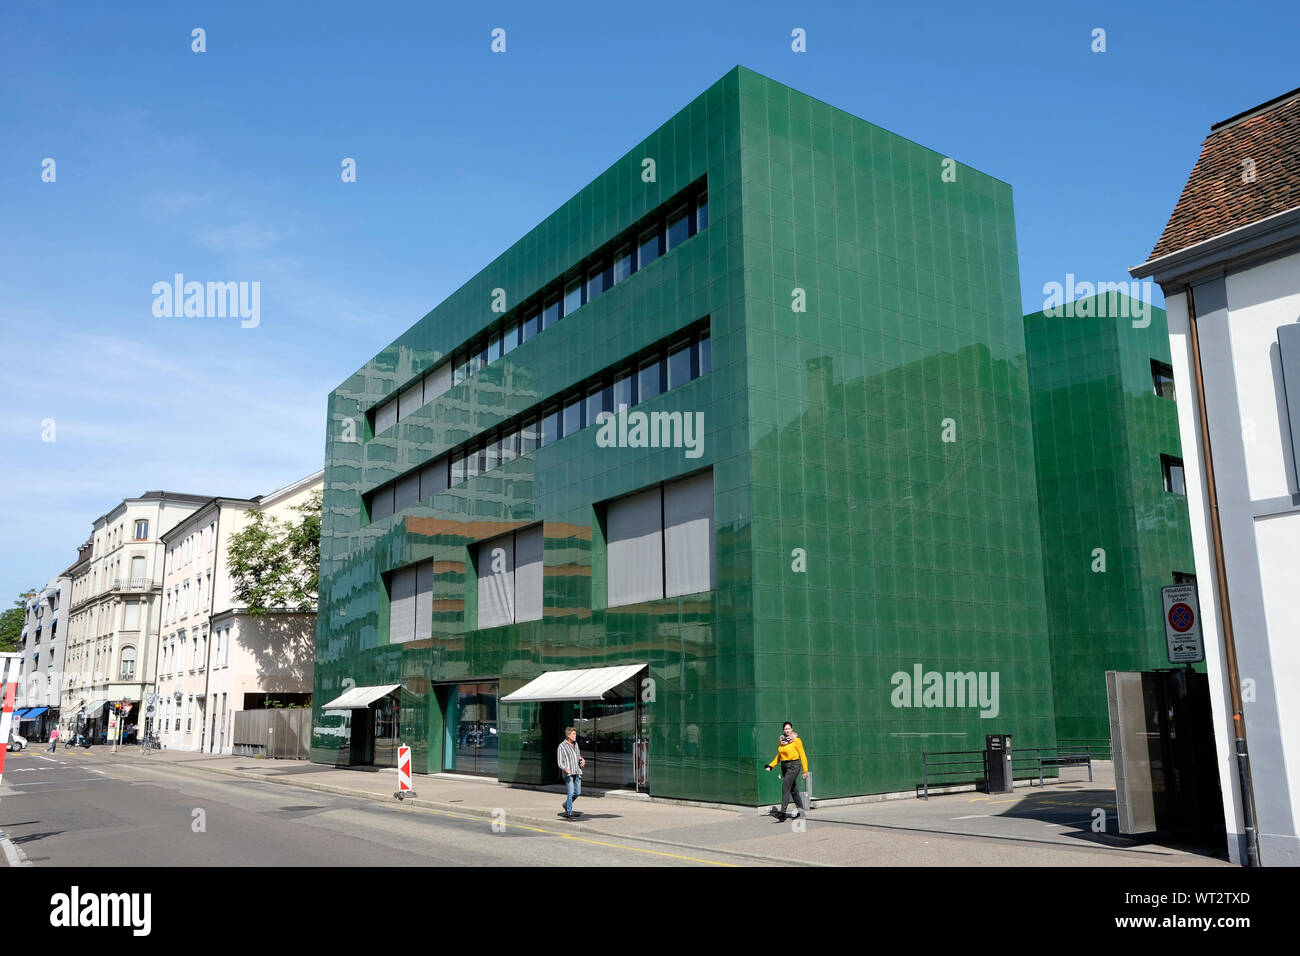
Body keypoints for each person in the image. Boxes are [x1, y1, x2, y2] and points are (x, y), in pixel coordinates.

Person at [764, 721, 809, 822]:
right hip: (784, 766)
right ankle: (801, 813)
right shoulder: (781, 741)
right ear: (783, 730)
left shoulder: (797, 740)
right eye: (785, 729)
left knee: (785, 787)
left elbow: (802, 755)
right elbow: (779, 756)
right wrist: (771, 766)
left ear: (792, 729)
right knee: (793, 789)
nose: (787, 730)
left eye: (789, 728)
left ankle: (782, 813)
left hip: (794, 765)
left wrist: (805, 770)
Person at [556, 726, 586, 820]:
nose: (575, 736)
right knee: (571, 792)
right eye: (573, 734)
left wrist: (582, 760)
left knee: (577, 793)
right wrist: (565, 769)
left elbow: (578, 755)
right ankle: (569, 813)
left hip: (577, 772)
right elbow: (560, 761)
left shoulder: (575, 744)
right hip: (568, 774)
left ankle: (566, 804)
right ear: (568, 735)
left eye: (575, 734)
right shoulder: (562, 746)